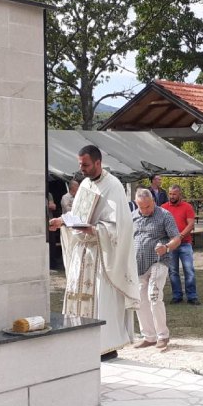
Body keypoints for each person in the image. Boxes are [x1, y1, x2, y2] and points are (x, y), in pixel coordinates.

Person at [49, 145, 140, 359]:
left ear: (98, 163)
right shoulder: (85, 185)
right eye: (80, 164)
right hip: (83, 253)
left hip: (102, 254)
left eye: (86, 165)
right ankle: (80, 341)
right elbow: (78, 214)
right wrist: (62, 221)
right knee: (77, 294)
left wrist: (94, 229)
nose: (82, 169)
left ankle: (105, 346)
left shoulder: (113, 186)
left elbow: (121, 225)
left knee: (101, 299)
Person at [132, 188, 181, 351]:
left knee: (154, 296)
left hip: (159, 261)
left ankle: (162, 336)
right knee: (139, 300)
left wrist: (166, 247)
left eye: (148, 206)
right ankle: (149, 336)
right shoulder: (133, 216)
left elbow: (177, 238)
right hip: (138, 264)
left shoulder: (164, 215)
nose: (145, 210)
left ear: (153, 201)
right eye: (141, 207)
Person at [162, 185, 200, 305]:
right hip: (171, 244)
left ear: (180, 194)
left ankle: (192, 296)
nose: (172, 196)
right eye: (170, 194)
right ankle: (177, 295)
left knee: (189, 270)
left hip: (185, 244)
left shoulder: (187, 207)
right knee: (173, 271)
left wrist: (180, 236)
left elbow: (191, 224)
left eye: (174, 194)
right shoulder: (163, 207)